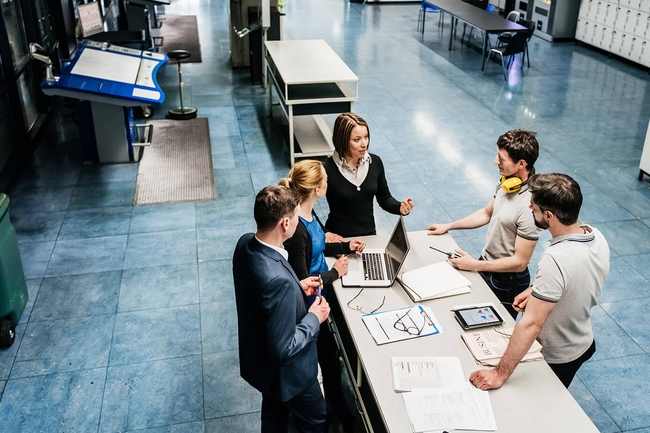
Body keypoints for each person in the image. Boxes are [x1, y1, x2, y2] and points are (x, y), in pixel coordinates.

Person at [469, 173, 610, 390]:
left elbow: (531, 324)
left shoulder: (555, 257)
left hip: (558, 355)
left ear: (549, 215)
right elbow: (578, 273)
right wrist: (538, 290)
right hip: (582, 340)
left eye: (533, 207)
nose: (529, 208)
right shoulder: (595, 235)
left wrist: (498, 374)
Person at [232, 185, 331, 433]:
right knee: (317, 419)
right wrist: (313, 317)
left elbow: (262, 294)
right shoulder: (279, 282)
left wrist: (296, 287)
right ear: (285, 224)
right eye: (297, 216)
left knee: (274, 418)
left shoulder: (245, 243)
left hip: (260, 363)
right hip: (290, 376)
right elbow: (283, 346)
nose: (299, 221)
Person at [279, 160, 365, 433]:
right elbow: (304, 280)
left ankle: (338, 410)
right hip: (310, 305)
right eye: (326, 179)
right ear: (317, 189)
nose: (329, 181)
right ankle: (339, 417)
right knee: (328, 359)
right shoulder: (297, 231)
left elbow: (321, 241)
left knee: (331, 357)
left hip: (323, 292)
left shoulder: (309, 213)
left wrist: (345, 245)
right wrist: (335, 273)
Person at [427, 129, 540, 319]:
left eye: (501, 158)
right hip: (486, 264)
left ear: (521, 164)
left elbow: (520, 263)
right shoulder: (506, 183)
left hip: (507, 280)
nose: (496, 161)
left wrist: (475, 265)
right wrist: (449, 226)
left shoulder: (530, 206)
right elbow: (487, 213)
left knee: (491, 328)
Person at [324, 112, 414, 238]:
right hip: (340, 240)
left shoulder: (375, 162)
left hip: (369, 238)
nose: (364, 144)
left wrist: (400, 207)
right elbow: (305, 209)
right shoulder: (326, 169)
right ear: (342, 140)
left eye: (366, 137)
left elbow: (384, 198)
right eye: (357, 139)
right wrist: (325, 233)